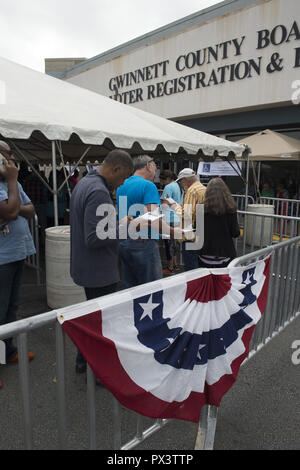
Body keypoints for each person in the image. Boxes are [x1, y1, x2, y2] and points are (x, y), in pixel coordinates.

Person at [70, 149, 134, 374]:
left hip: (88, 267)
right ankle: (96, 371)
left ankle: (82, 362)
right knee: (100, 324)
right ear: (116, 168)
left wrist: (116, 223)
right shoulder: (98, 191)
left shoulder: (85, 183)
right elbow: (95, 236)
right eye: (124, 177)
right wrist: (128, 228)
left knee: (92, 319)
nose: (122, 183)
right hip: (99, 270)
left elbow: (96, 227)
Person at [117, 155, 181, 289]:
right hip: (144, 242)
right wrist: (173, 232)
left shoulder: (121, 185)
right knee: (152, 290)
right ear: (148, 166)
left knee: (129, 289)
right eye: (155, 168)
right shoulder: (148, 186)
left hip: (124, 241)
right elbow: (153, 218)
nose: (156, 173)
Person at [0, 141, 36, 381]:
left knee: (12, 307)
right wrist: (13, 181)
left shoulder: (10, 183)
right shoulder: (10, 181)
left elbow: (29, 209)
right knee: (0, 311)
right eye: (6, 154)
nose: (11, 159)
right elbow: (11, 212)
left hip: (17, 252)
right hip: (2, 257)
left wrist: (13, 205)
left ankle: (8, 350)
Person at [198, 177, 240, 268]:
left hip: (204, 255)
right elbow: (235, 233)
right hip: (225, 255)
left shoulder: (200, 208)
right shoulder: (230, 209)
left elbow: (198, 232)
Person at [175, 168, 206, 271]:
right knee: (199, 266)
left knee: (190, 268)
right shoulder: (202, 188)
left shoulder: (191, 190)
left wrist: (176, 207)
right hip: (200, 232)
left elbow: (187, 215)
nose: (181, 183)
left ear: (185, 179)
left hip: (189, 234)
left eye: (180, 181)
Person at [159, 170, 183, 274]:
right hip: (176, 216)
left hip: (169, 218)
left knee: (168, 243)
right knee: (174, 243)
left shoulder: (168, 187)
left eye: (162, 181)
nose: (162, 183)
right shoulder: (177, 186)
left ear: (167, 179)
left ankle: (170, 267)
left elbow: (164, 203)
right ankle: (175, 264)